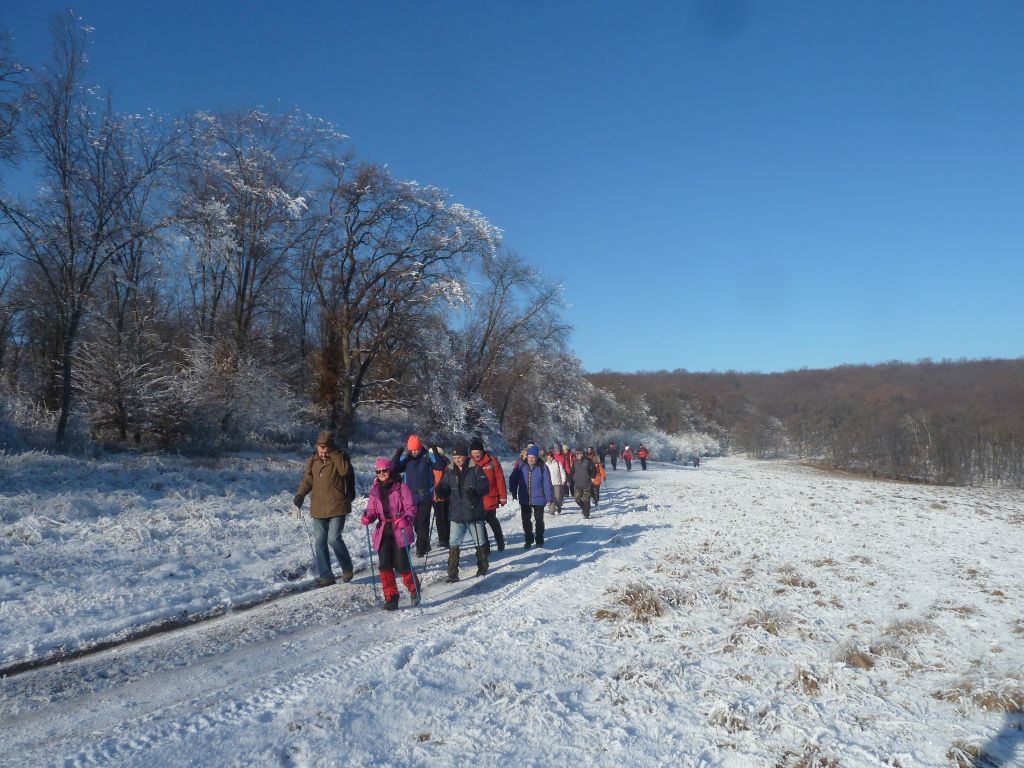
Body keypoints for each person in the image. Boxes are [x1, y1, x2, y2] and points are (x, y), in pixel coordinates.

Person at [293, 430, 356, 587]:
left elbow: (345, 471)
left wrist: (334, 454)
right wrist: (300, 495)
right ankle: (326, 576)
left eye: (325, 451)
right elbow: (308, 480)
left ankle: (347, 568)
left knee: (333, 539)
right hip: (318, 507)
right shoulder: (312, 460)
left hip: (338, 505)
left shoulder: (340, 457)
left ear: (331, 447)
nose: (322, 454)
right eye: (320, 451)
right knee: (320, 542)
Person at [360, 458, 420, 610]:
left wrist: (406, 518)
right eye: (378, 471)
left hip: (399, 528)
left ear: (390, 471)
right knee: (385, 565)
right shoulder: (375, 490)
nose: (381, 474)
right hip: (384, 530)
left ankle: (414, 589)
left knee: (402, 565)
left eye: (384, 470)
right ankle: (391, 598)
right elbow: (372, 511)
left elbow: (411, 507)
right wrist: (368, 517)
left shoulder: (401, 487)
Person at [435, 444, 492, 581]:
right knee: (453, 543)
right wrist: (440, 491)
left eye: (459, 457)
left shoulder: (476, 469)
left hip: (473, 512)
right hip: (456, 514)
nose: (457, 460)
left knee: (480, 541)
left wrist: (476, 491)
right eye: (454, 457)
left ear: (466, 456)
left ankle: (483, 567)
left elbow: (485, 487)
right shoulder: (449, 471)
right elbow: (443, 486)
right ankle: (452, 573)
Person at [391, 434, 438, 557]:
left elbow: (440, 465)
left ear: (420, 447)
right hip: (410, 497)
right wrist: (397, 455)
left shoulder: (427, 456)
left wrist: (436, 451)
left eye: (416, 449)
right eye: (411, 450)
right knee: (416, 524)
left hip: (426, 496)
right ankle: (425, 542)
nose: (414, 452)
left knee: (422, 522)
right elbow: (393, 468)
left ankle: (420, 548)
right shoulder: (407, 459)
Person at [509, 446, 554, 548]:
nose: (531, 459)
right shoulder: (521, 466)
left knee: (539, 520)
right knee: (525, 520)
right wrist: (513, 490)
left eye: (533, 457)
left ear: (537, 457)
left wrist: (549, 497)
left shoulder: (543, 467)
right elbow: (513, 478)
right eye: (529, 457)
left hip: (539, 498)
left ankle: (539, 539)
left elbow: (547, 484)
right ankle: (528, 539)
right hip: (525, 498)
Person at [470, 437, 507, 552]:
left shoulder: (492, 460)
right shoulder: (469, 463)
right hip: (476, 499)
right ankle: (485, 546)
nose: (476, 455)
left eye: (478, 452)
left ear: (482, 451)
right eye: (474, 453)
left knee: (492, 520)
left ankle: (499, 539)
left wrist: (503, 497)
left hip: (490, 497)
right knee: (480, 523)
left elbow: (500, 479)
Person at [430, 445, 451, 547]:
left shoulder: (444, 463)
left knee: (443, 517)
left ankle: (445, 539)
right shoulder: (444, 462)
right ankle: (443, 539)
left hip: (443, 494)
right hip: (436, 495)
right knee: (440, 518)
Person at [571, 447, 597, 518]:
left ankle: (586, 514)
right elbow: (572, 472)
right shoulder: (575, 462)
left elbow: (594, 470)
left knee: (586, 499)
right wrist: (570, 480)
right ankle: (584, 508)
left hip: (586, 483)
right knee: (577, 499)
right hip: (577, 484)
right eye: (576, 454)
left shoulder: (588, 461)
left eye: (578, 453)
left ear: (582, 454)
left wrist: (592, 477)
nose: (577, 455)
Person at [543, 448, 567, 515]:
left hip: (557, 483)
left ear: (552, 457)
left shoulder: (557, 463)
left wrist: (563, 479)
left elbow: (562, 472)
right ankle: (552, 510)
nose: (549, 458)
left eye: (550, 457)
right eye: (548, 457)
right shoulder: (545, 465)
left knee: (558, 497)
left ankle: (559, 506)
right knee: (550, 497)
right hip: (549, 483)